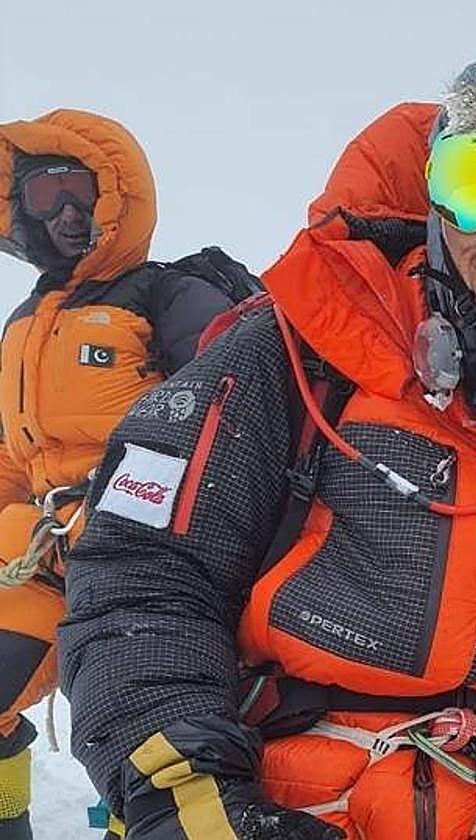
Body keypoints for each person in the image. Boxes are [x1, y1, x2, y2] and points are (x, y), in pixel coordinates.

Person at [59, 40, 476, 840]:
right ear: (432, 198)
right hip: (298, 800)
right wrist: (199, 807)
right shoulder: (300, 357)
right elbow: (141, 580)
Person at [0, 110, 241, 840]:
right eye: (45, 197)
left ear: (118, 196)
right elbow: (13, 458)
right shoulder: (23, 323)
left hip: (146, 561)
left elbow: (237, 420)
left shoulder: (169, 295)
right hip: (41, 555)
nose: (67, 213)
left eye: (82, 190)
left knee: (148, 737)